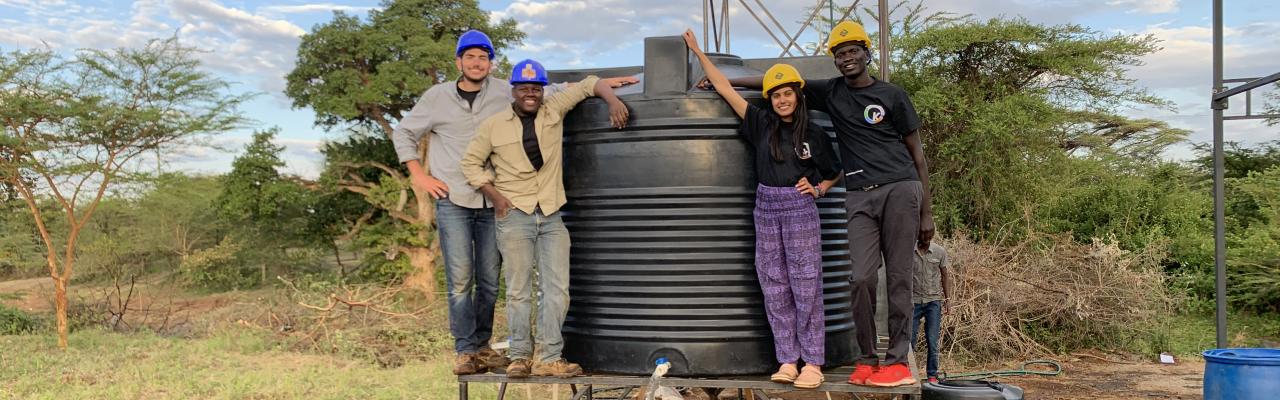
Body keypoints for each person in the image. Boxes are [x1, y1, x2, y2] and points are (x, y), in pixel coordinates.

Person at [703, 21, 935, 387]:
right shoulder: (831, 91)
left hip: (900, 188)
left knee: (899, 279)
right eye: (840, 54)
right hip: (859, 193)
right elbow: (775, 84)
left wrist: (926, 212)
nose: (847, 58)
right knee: (859, 278)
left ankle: (897, 364)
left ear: (867, 53)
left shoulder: (892, 95)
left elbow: (918, 155)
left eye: (853, 51)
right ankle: (866, 360)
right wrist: (726, 80)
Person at [391, 30, 635, 376]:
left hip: (503, 207)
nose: (477, 63)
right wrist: (419, 174)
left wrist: (606, 87)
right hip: (457, 198)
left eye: (483, 58)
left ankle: (490, 348)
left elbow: (558, 90)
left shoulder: (508, 90)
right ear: (458, 61)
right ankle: (466, 350)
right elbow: (407, 135)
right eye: (470, 57)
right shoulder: (437, 98)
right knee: (461, 279)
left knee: (492, 280)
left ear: (492, 63)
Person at [682, 29, 842, 390]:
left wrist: (817, 189)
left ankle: (813, 362)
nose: (782, 100)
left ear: (798, 96)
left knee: (806, 285)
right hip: (766, 206)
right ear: (769, 99)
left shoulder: (813, 133)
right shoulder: (760, 123)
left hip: (799, 208)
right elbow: (724, 88)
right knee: (774, 285)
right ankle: (787, 359)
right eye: (776, 95)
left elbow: (834, 172)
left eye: (788, 94)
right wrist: (698, 52)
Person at [460, 58, 629, 379]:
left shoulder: (554, 109)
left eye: (535, 88)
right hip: (514, 216)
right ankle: (520, 356)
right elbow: (470, 164)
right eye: (524, 88)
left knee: (557, 289)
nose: (530, 94)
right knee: (519, 291)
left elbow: (589, 82)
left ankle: (549, 357)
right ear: (514, 91)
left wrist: (612, 99)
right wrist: (495, 198)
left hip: (551, 214)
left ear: (542, 90)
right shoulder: (493, 126)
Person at [911, 239, 951, 384]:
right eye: (922, 234)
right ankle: (909, 373)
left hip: (933, 301)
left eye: (928, 234)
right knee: (910, 340)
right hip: (913, 301)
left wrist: (948, 300)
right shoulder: (910, 251)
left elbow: (945, 275)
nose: (925, 237)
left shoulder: (939, 251)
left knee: (932, 340)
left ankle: (932, 375)